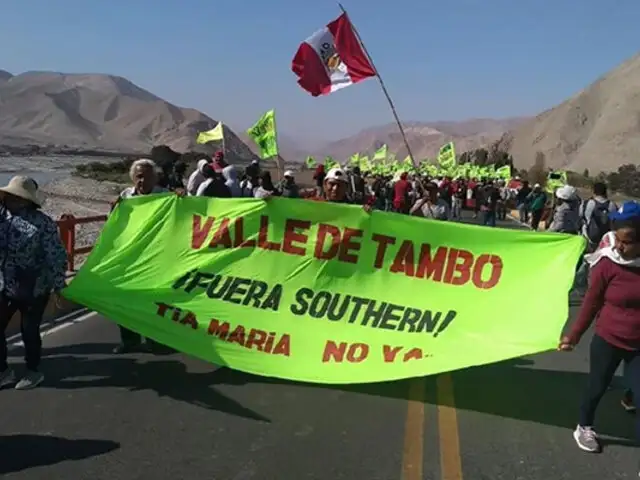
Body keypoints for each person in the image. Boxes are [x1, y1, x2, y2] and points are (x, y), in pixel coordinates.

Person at [558, 201, 640, 455]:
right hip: (609, 340)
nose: (618, 246)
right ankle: (584, 426)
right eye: (617, 238)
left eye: (626, 241)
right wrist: (573, 335)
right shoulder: (607, 263)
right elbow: (591, 303)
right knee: (597, 385)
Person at [0, 176, 67, 389]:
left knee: (29, 330)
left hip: (35, 286)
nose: (9, 199)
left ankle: (33, 371)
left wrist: (58, 285)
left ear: (26, 200)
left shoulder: (42, 223)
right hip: (5, 283)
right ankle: (3, 371)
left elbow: (55, 255)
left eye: (14, 196)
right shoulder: (2, 217)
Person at [113, 159, 168, 353]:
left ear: (155, 177)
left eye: (146, 176)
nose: (142, 181)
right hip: (130, 259)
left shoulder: (166, 197)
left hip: (155, 259)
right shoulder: (126, 196)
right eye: (138, 177)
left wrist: (182, 198)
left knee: (152, 303)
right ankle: (129, 340)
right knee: (124, 301)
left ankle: (155, 340)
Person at [580, 182, 618, 252]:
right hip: (605, 239)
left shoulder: (588, 203)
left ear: (594, 191)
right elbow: (614, 222)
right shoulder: (612, 205)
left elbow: (582, 217)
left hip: (589, 238)